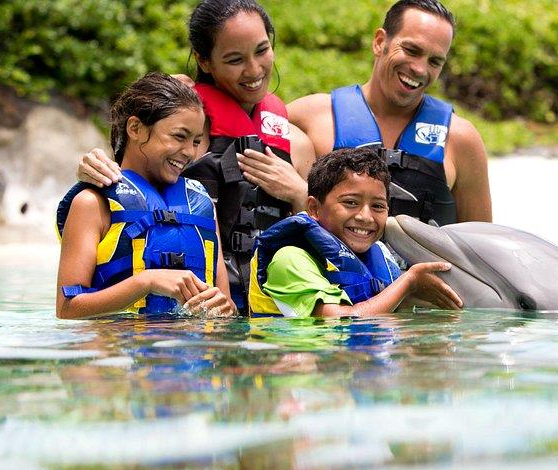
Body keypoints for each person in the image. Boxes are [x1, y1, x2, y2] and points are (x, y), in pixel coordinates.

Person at [72, 0, 313, 314]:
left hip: (267, 306)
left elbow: (323, 240)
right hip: (187, 302)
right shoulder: (177, 121)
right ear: (203, 60)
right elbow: (129, 182)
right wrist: (93, 166)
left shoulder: (295, 141)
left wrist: (299, 194)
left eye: (262, 50)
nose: (254, 70)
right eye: (234, 59)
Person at [288, 0, 491, 226]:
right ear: (379, 42)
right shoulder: (308, 117)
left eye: (434, 61)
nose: (420, 69)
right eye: (411, 50)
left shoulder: (460, 139)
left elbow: (481, 243)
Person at [56, 73, 235, 319]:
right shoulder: (92, 203)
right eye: (179, 136)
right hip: (119, 342)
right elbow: (67, 309)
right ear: (135, 128)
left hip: (196, 343)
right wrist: (146, 281)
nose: (189, 153)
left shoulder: (202, 205)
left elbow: (225, 304)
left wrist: (226, 308)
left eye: (196, 141)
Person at [248, 148, 462, 317]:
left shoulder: (380, 255)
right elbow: (341, 321)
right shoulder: (290, 260)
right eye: (350, 202)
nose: (365, 217)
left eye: (378, 206)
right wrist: (409, 282)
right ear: (314, 208)